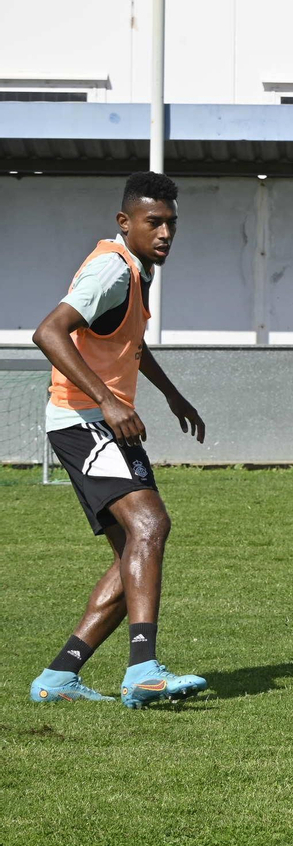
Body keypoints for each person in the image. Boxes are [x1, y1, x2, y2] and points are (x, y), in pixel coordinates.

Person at [27, 171, 209, 708]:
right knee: (151, 524)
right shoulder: (111, 268)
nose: (165, 234)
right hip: (84, 420)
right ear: (124, 222)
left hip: (98, 420)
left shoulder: (136, 271)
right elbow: (49, 331)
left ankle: (59, 676)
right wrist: (108, 401)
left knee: (135, 550)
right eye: (154, 223)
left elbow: (129, 344)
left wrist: (173, 395)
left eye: (172, 224)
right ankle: (143, 669)